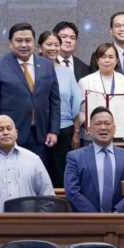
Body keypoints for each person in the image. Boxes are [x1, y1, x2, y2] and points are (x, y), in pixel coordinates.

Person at [0, 22, 60, 162]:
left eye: (28, 40)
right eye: (19, 41)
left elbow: (54, 101)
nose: (24, 45)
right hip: (9, 136)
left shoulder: (46, 65)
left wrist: (53, 130)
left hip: (40, 136)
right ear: (10, 43)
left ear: (34, 43)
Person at [64, 106, 124, 213]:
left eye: (107, 123)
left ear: (114, 129)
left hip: (120, 220)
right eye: (98, 124)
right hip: (87, 221)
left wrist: (118, 212)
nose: (103, 127)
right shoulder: (75, 157)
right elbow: (72, 191)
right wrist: (95, 217)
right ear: (89, 130)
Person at [38, 30, 83, 187]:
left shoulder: (66, 73)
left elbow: (76, 104)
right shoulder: (32, 71)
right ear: (39, 47)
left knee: (61, 175)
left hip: (64, 131)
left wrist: (76, 133)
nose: (53, 48)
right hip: (38, 130)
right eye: (48, 44)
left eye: (56, 44)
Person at [77, 43, 124, 142]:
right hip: (92, 135)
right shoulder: (85, 81)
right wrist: (89, 124)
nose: (107, 60)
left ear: (116, 61)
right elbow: (79, 110)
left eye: (111, 57)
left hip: (120, 134)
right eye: (103, 57)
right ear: (97, 60)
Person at [89, 11, 124, 89]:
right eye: (117, 26)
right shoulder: (100, 55)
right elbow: (94, 85)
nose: (122, 29)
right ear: (111, 31)